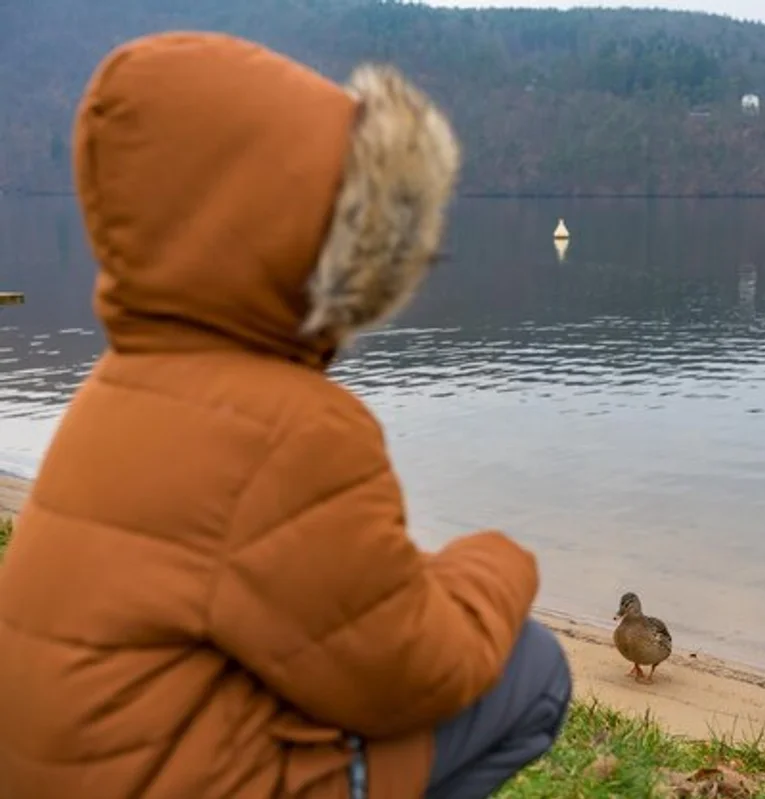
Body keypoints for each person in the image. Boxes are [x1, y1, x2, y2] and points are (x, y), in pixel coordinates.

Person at [0, 31, 571, 799]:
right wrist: (503, 560)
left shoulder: (120, 384)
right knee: (531, 669)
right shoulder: (289, 429)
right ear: (312, 235)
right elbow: (414, 670)